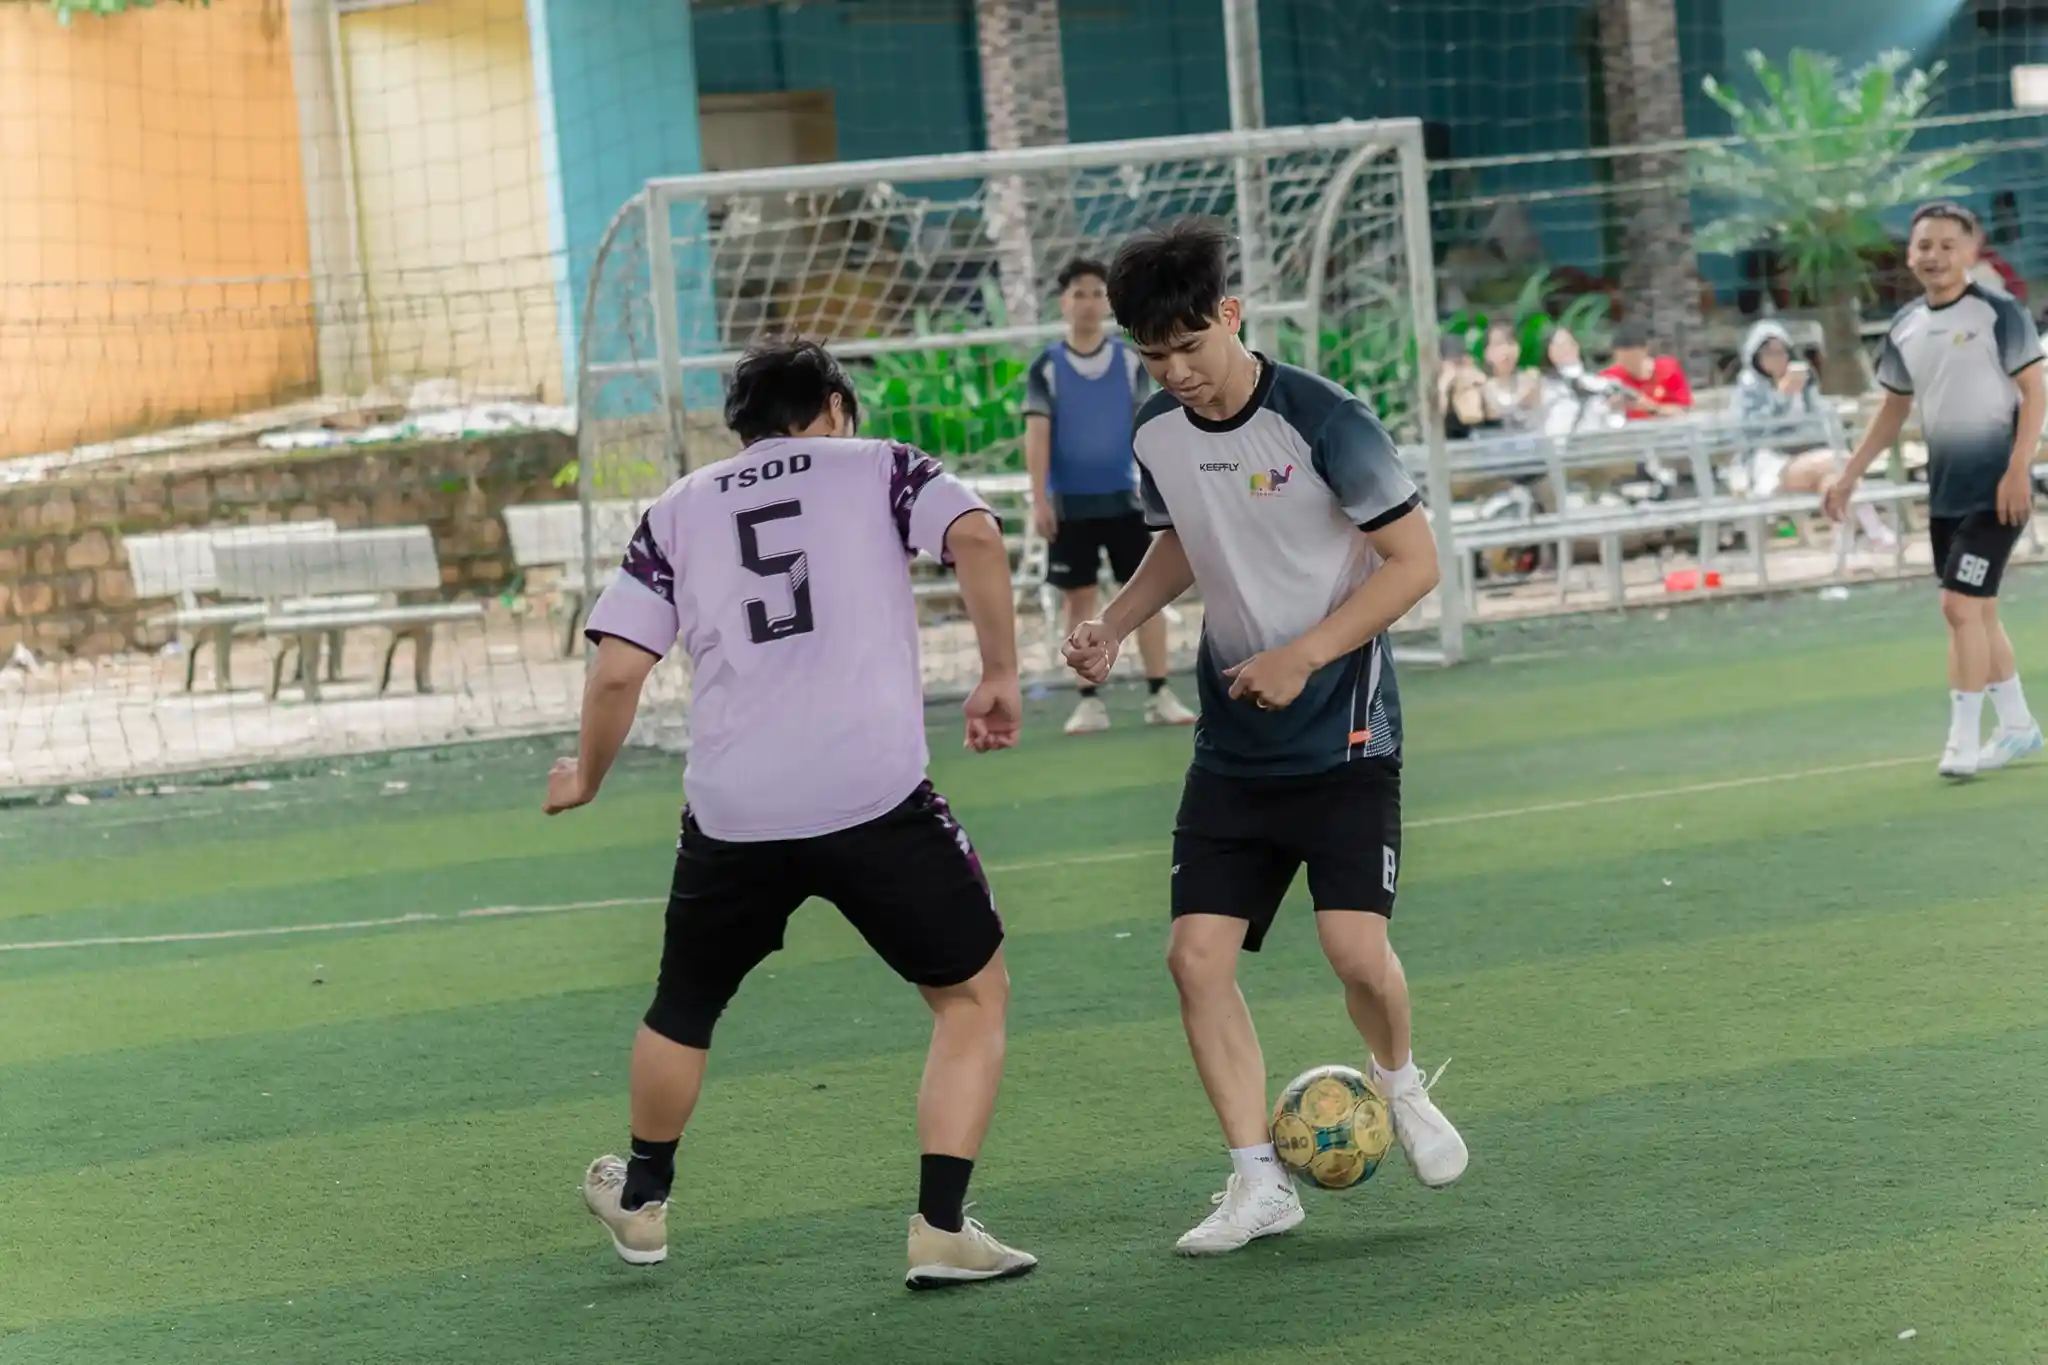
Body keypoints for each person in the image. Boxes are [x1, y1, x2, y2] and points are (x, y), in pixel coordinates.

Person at [544, 335, 1038, 1290]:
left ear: (742, 429)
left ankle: (642, 1200)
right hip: (872, 792)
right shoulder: (881, 465)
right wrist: (1001, 673)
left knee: (685, 1006)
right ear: (836, 408)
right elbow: (977, 535)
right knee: (972, 995)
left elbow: (615, 672)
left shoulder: (677, 509)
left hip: (736, 809)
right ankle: (940, 1229)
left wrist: (588, 776)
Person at [1063, 219, 1468, 1257]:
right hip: (1233, 748)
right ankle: (1257, 1183)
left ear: (1231, 315)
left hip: (1345, 735)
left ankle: (1399, 1083)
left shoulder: (1326, 419)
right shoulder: (1155, 432)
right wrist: (1114, 622)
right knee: (1193, 958)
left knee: (1355, 952)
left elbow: (1415, 563)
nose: (1176, 372)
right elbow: (1183, 548)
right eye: (1154, 355)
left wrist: (1303, 654)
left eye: (1190, 346)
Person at [1824, 200, 2046, 778]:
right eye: (1925, 245)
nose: (1935, 256)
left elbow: (2035, 391)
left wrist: (2019, 467)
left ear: (1971, 252)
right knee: (1978, 613)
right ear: (1909, 254)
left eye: (1949, 245)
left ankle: (1962, 741)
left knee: (1957, 606)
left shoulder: (2000, 313)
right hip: (1946, 492)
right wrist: (1849, 475)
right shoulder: (1906, 326)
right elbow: (1893, 409)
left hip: (1998, 492)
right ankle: (2018, 727)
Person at [1025, 257, 1197, 735]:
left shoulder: (1129, 360)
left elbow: (1152, 423)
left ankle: (1159, 692)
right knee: (1079, 600)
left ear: (1109, 302)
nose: (1088, 302)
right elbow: (1037, 435)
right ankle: (1089, 700)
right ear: (1063, 302)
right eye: (1078, 293)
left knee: (1146, 595)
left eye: (1097, 293)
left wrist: (1165, 486)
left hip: (1128, 500)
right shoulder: (1047, 367)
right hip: (1071, 506)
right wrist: (1039, 499)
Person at [1733, 320, 1896, 550]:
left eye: (1781, 351)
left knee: (1834, 479)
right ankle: (1875, 530)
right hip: (1770, 463)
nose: (1777, 358)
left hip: (1810, 455)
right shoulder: (1750, 385)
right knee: (1840, 462)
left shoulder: (1803, 380)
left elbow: (1820, 420)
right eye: (1769, 352)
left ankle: (1843, 544)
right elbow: (1752, 431)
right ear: (1756, 356)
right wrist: (1781, 397)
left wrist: (1810, 398)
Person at [1600, 320, 1693, 421]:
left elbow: (1683, 411)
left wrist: (1650, 407)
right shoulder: (1609, 378)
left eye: (1632, 358)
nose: (1627, 364)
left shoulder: (1668, 369)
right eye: (1622, 360)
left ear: (1645, 350)